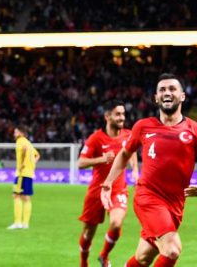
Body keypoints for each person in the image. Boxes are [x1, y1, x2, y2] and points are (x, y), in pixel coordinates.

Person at [102, 74, 197, 267]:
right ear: (156, 98)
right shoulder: (143, 126)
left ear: (182, 96)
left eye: (172, 89)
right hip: (148, 197)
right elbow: (124, 154)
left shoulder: (196, 130)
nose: (167, 93)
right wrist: (107, 183)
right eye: (162, 90)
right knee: (172, 249)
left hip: (175, 205)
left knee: (143, 258)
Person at [77, 100, 139, 267]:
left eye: (123, 114)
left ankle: (104, 255)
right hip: (97, 191)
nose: (122, 117)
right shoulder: (96, 138)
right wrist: (102, 159)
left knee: (116, 223)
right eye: (118, 114)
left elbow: (131, 152)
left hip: (118, 189)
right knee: (88, 233)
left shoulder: (128, 135)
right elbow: (80, 163)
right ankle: (83, 262)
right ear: (107, 116)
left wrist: (134, 170)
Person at [7, 125, 40, 230]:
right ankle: (25, 224)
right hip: (29, 173)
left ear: (21, 133)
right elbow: (37, 155)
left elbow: (25, 151)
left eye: (16, 132)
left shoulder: (20, 141)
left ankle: (17, 223)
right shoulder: (29, 143)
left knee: (16, 196)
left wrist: (22, 164)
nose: (14, 134)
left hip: (22, 173)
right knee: (26, 198)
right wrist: (32, 164)